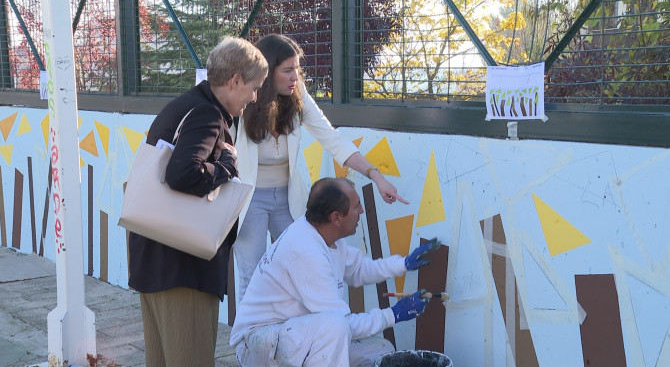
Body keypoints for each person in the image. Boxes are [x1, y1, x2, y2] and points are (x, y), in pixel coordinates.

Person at [234, 34, 409, 299]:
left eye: (297, 69)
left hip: (287, 199)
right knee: (253, 278)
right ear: (267, 73)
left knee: (301, 269)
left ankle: (296, 338)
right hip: (249, 199)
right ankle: (248, 341)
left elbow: (332, 138)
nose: (296, 77)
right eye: (288, 70)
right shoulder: (244, 100)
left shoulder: (297, 96)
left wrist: (376, 176)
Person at [127, 36, 268, 367]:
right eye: (253, 87)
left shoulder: (185, 105)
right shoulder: (207, 114)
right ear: (235, 81)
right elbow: (182, 173)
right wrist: (225, 168)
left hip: (157, 261)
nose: (254, 97)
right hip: (183, 269)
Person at [230, 177, 441, 367]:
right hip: (257, 345)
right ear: (336, 218)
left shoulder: (326, 237)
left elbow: (359, 269)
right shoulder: (306, 252)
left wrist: (403, 264)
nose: (361, 211)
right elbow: (342, 325)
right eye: (356, 206)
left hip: (292, 336)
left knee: (381, 351)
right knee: (334, 327)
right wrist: (392, 315)